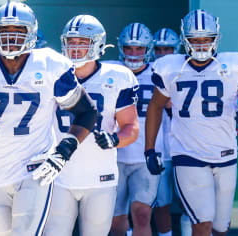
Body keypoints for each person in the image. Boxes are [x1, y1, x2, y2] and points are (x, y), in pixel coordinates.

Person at [0, 2, 97, 236]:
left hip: (34, 168)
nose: (10, 37)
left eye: (18, 30)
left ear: (32, 32)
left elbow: (87, 112)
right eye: (4, 30)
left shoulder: (50, 65)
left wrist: (63, 151)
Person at [145, 9, 238, 236]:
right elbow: (156, 105)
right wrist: (149, 148)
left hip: (225, 155)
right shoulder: (171, 68)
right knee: (202, 224)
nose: (201, 45)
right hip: (188, 155)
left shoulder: (232, 66)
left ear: (215, 38)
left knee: (220, 228)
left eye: (206, 39)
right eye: (195, 40)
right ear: (185, 40)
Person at [43, 15, 139, 236]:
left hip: (99, 177)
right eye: (71, 41)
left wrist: (115, 140)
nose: (75, 48)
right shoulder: (52, 73)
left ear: (97, 43)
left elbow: (131, 127)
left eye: (82, 42)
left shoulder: (118, 76)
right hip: (58, 175)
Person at [107, 22, 165, 236]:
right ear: (120, 47)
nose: (133, 52)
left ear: (148, 49)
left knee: (141, 213)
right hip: (114, 153)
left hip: (145, 155)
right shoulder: (109, 70)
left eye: (139, 48)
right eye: (129, 47)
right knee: (116, 220)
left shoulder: (160, 73)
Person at [151, 27, 181, 236]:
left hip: (184, 149)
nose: (162, 54)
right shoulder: (146, 74)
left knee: (193, 204)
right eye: (159, 49)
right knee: (161, 203)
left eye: (167, 49)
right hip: (159, 150)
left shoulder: (188, 70)